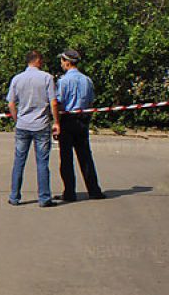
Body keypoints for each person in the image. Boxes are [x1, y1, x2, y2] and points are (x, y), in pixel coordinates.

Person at [6, 50, 60, 207]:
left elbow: (11, 103)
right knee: (42, 162)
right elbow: (53, 102)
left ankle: (14, 196)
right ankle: (44, 198)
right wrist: (56, 122)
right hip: (41, 125)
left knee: (19, 161)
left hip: (23, 125)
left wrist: (17, 119)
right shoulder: (47, 78)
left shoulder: (17, 79)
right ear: (37, 60)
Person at [56, 49, 105, 202]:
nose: (61, 64)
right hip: (82, 119)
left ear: (67, 62)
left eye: (62, 61)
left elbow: (59, 102)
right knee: (85, 156)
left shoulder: (63, 81)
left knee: (66, 158)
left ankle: (69, 192)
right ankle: (94, 190)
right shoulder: (87, 80)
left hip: (67, 119)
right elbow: (90, 102)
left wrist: (57, 122)